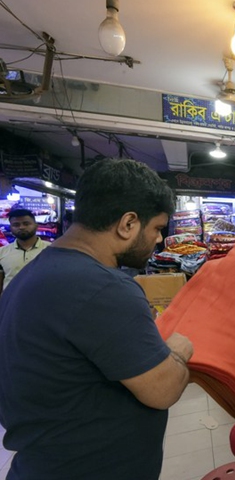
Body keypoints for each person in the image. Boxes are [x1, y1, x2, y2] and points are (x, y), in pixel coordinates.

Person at [0, 159, 194, 480]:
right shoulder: (103, 287)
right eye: (158, 228)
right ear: (128, 223)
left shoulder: (35, 272)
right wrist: (178, 350)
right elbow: (164, 390)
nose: (159, 240)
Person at [0, 208, 48, 297]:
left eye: (26, 224)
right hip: (10, 305)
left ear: (36, 225)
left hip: (43, 303)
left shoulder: (51, 250)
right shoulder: (2, 252)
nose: (21, 227)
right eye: (16, 224)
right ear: (10, 228)